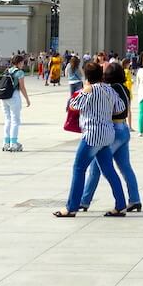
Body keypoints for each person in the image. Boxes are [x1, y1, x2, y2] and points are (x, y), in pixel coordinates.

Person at [54, 61, 127, 217]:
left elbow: (73, 105)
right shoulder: (109, 89)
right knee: (109, 170)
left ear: (87, 76)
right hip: (107, 135)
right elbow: (120, 107)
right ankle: (121, 205)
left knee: (79, 168)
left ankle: (71, 207)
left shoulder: (88, 90)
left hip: (92, 135)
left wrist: (85, 90)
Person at [80, 62, 142, 213]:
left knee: (96, 167)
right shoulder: (124, 88)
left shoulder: (111, 89)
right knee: (125, 167)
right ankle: (135, 199)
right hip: (124, 128)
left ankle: (84, 201)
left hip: (114, 130)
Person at [0, 54, 31, 151]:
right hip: (14, 96)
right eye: (23, 62)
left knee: (7, 119)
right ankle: (14, 143)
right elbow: (22, 87)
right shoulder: (19, 72)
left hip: (4, 97)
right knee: (15, 121)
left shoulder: (7, 70)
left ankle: (6, 142)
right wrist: (27, 99)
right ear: (19, 63)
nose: (23, 64)